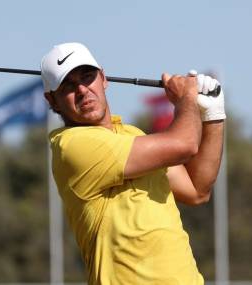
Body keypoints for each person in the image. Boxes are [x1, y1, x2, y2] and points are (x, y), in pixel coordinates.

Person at [40, 42, 225, 285]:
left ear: (103, 78)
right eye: (68, 86)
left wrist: (213, 115)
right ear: (52, 100)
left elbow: (197, 189)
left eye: (88, 77)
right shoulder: (72, 146)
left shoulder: (132, 134)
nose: (83, 90)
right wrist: (186, 99)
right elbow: (184, 144)